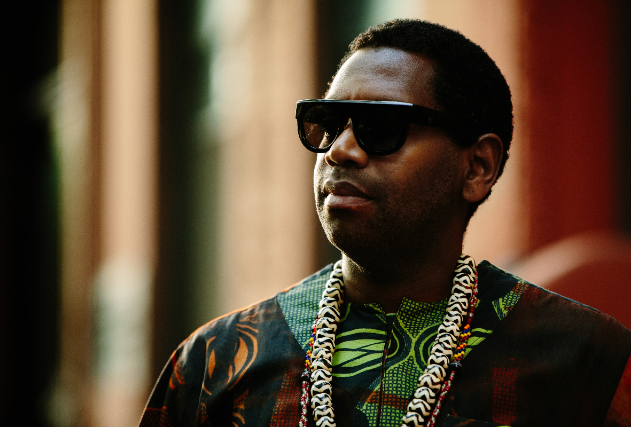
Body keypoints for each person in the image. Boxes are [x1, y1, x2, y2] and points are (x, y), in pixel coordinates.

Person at [138, 19, 631, 427]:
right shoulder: (216, 363)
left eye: (380, 127)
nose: (339, 150)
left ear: (477, 167)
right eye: (328, 123)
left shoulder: (585, 361)